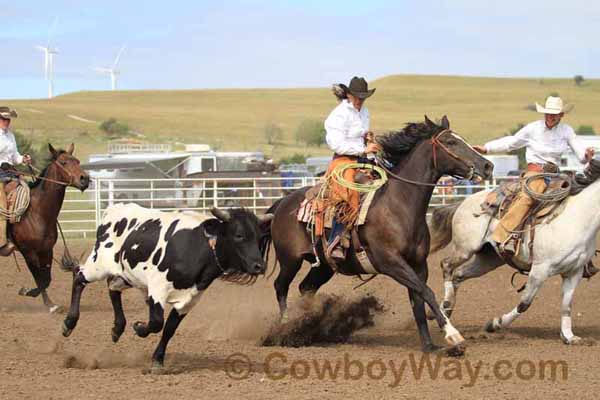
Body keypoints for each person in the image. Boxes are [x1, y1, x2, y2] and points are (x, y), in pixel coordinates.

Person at [474, 96, 594, 256]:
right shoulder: (533, 129)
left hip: (557, 176)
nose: (550, 117)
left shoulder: (567, 131)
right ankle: (505, 235)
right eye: (548, 113)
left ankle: (579, 252)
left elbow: (580, 154)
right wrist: (487, 148)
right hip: (535, 173)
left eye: (554, 114)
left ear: (561, 115)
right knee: (527, 198)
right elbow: (511, 142)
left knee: (577, 200)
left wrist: (586, 155)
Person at [322, 77, 381, 261]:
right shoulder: (339, 114)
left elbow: (361, 135)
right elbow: (337, 144)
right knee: (348, 192)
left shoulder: (365, 112)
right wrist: (363, 149)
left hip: (361, 159)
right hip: (343, 161)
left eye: (363, 97)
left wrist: (369, 145)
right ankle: (337, 239)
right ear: (349, 95)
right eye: (357, 97)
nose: (360, 100)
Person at [0, 107, 32, 255]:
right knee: (3, 200)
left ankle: (21, 235)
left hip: (10, 170)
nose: (6, 122)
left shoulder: (10, 136)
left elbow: (15, 157)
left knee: (26, 191)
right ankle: (4, 240)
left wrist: (23, 159)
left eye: (8, 119)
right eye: (4, 119)